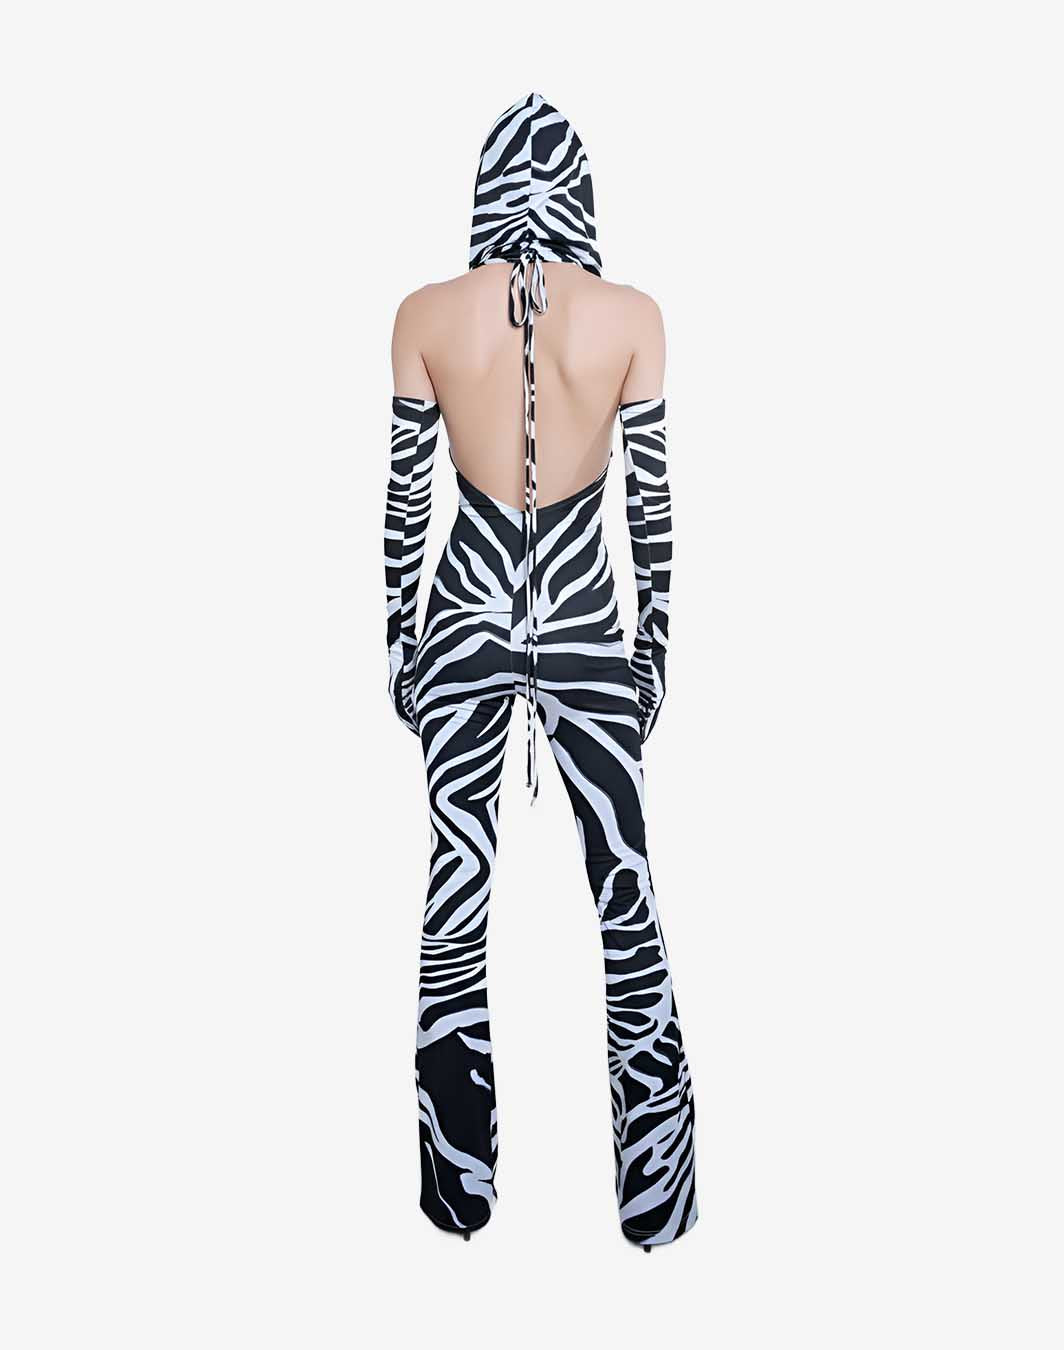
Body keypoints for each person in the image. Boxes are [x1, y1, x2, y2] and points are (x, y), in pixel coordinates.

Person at [384, 93, 697, 1248]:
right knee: (626, 889)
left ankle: (457, 1191)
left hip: (462, 619)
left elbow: (406, 505)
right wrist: (649, 660)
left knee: (455, 892)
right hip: (585, 621)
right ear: (581, 192)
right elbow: (650, 509)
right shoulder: (631, 318)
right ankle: (657, 1200)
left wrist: (402, 648)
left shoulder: (426, 314)